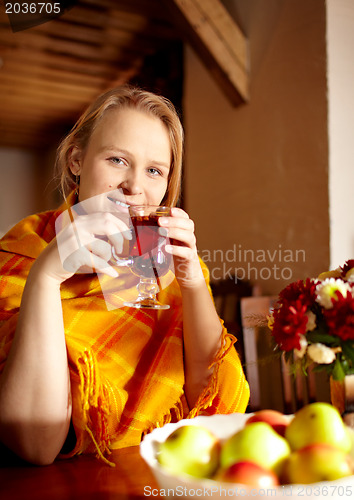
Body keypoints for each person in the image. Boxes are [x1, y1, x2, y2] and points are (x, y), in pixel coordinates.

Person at [0, 86, 249, 466]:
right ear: (76, 160)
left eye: (154, 170)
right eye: (117, 160)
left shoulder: (173, 263)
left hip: (160, 473)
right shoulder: (19, 255)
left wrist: (193, 283)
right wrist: (46, 276)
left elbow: (218, 405)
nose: (135, 187)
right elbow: (36, 444)